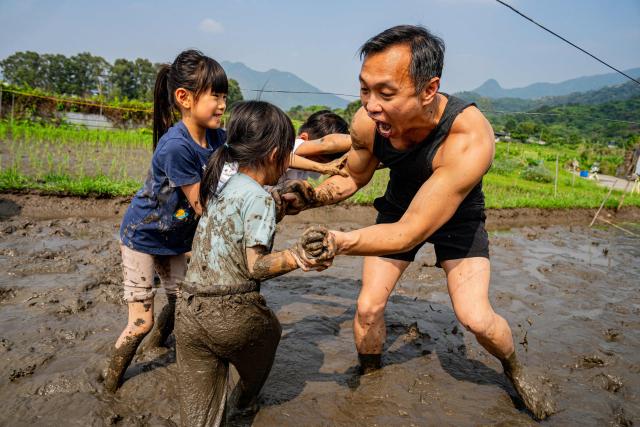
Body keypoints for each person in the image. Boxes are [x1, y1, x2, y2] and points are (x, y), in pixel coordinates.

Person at [276, 25, 555, 420]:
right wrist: (312, 196)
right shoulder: (367, 123)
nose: (371, 105)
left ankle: (513, 367)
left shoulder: (468, 136)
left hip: (457, 219)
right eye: (364, 89)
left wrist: (338, 241)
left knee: (474, 317)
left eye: (385, 93)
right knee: (368, 308)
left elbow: (411, 232)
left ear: (428, 89)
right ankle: (369, 378)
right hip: (398, 208)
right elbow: (354, 177)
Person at [174, 100, 335, 426]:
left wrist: (281, 201)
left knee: (199, 417)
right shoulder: (259, 196)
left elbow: (235, 226)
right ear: (277, 155)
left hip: (188, 312)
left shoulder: (222, 185)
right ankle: (243, 404)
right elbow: (255, 267)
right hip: (230, 312)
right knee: (271, 331)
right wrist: (298, 256)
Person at [103, 50, 228, 393]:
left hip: (174, 239)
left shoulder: (218, 137)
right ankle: (111, 380)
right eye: (215, 95)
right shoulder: (176, 146)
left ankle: (158, 342)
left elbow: (252, 151)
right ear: (184, 98)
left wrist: (316, 161)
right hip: (142, 237)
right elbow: (200, 204)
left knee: (181, 302)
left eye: (224, 96)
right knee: (140, 321)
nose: (222, 104)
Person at [283, 110, 352, 182]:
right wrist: (359, 139)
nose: (322, 164)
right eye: (320, 159)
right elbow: (283, 157)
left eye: (325, 163)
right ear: (303, 139)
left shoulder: (308, 164)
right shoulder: (293, 146)